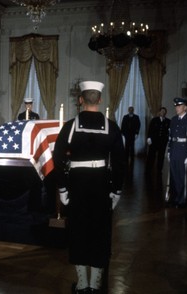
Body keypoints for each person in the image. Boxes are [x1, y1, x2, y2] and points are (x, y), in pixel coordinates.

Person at [53, 81, 125, 293]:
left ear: (80, 100)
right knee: (100, 232)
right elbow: (121, 162)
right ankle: (95, 284)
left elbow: (57, 159)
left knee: (79, 231)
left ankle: (82, 284)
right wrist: (117, 190)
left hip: (77, 185)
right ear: (100, 100)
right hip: (102, 184)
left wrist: (63, 189)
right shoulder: (112, 126)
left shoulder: (69, 127)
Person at [167, 97, 187, 208]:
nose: (177, 108)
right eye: (176, 106)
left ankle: (182, 200)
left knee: (182, 177)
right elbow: (170, 137)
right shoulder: (174, 119)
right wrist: (169, 150)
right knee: (174, 176)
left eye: (179, 106)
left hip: (183, 152)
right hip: (175, 150)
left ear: (185, 107)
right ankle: (174, 197)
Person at [146, 107, 170, 174]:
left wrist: (167, 139)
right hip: (154, 140)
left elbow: (169, 132)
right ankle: (148, 168)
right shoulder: (154, 120)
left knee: (161, 156)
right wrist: (149, 138)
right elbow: (150, 129)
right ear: (159, 112)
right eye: (162, 111)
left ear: (165, 113)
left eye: (164, 111)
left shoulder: (168, 121)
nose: (163, 112)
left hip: (162, 142)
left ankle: (159, 169)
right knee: (151, 155)